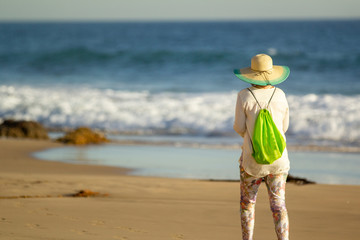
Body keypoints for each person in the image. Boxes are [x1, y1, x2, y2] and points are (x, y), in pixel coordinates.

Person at [233, 54, 290, 240]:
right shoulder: (280, 94)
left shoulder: (244, 95)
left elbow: (239, 128)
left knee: (247, 203)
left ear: (251, 74)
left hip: (252, 160)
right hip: (278, 160)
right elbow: (285, 127)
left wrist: (253, 136)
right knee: (278, 205)